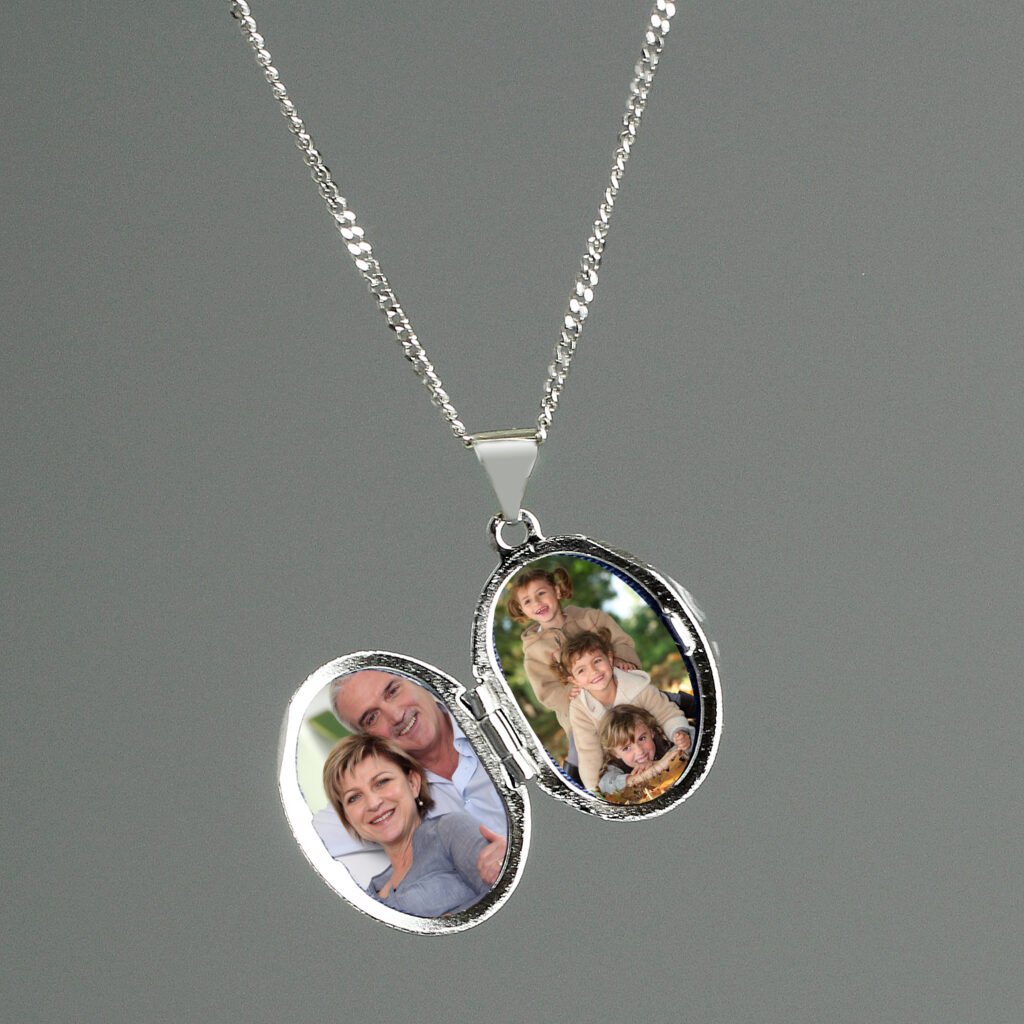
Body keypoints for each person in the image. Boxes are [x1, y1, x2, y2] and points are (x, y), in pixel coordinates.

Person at [311, 669, 507, 888]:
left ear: (417, 679)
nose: (396, 715)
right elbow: (302, 844)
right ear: (367, 738)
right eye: (372, 718)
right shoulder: (389, 796)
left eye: (393, 691)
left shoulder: (497, 716)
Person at [323, 734, 494, 918]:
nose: (373, 803)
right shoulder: (368, 900)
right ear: (348, 819)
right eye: (354, 797)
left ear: (413, 783)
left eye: (382, 782)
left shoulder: (450, 831)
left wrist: (446, 924)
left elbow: (505, 901)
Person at [506, 565, 641, 738]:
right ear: (522, 609)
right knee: (586, 745)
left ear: (557, 591)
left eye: (541, 593)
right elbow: (546, 689)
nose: (537, 603)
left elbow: (621, 641)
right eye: (527, 601)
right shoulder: (534, 652)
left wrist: (619, 659)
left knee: (654, 707)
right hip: (583, 717)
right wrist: (568, 693)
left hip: (621, 691)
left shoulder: (590, 618)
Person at [562, 628, 694, 793]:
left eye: (597, 661)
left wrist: (678, 733)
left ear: (610, 658)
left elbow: (665, 712)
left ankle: (700, 707)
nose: (594, 671)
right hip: (623, 755)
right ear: (574, 681)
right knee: (605, 778)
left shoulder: (635, 685)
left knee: (684, 724)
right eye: (582, 670)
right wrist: (594, 791)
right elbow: (589, 752)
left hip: (653, 737)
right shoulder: (580, 708)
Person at [597, 704, 682, 799]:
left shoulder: (664, 742)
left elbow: (688, 747)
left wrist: (656, 763)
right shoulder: (614, 767)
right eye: (626, 748)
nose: (639, 751)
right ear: (615, 753)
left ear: (651, 732)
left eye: (642, 739)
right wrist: (654, 770)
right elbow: (605, 785)